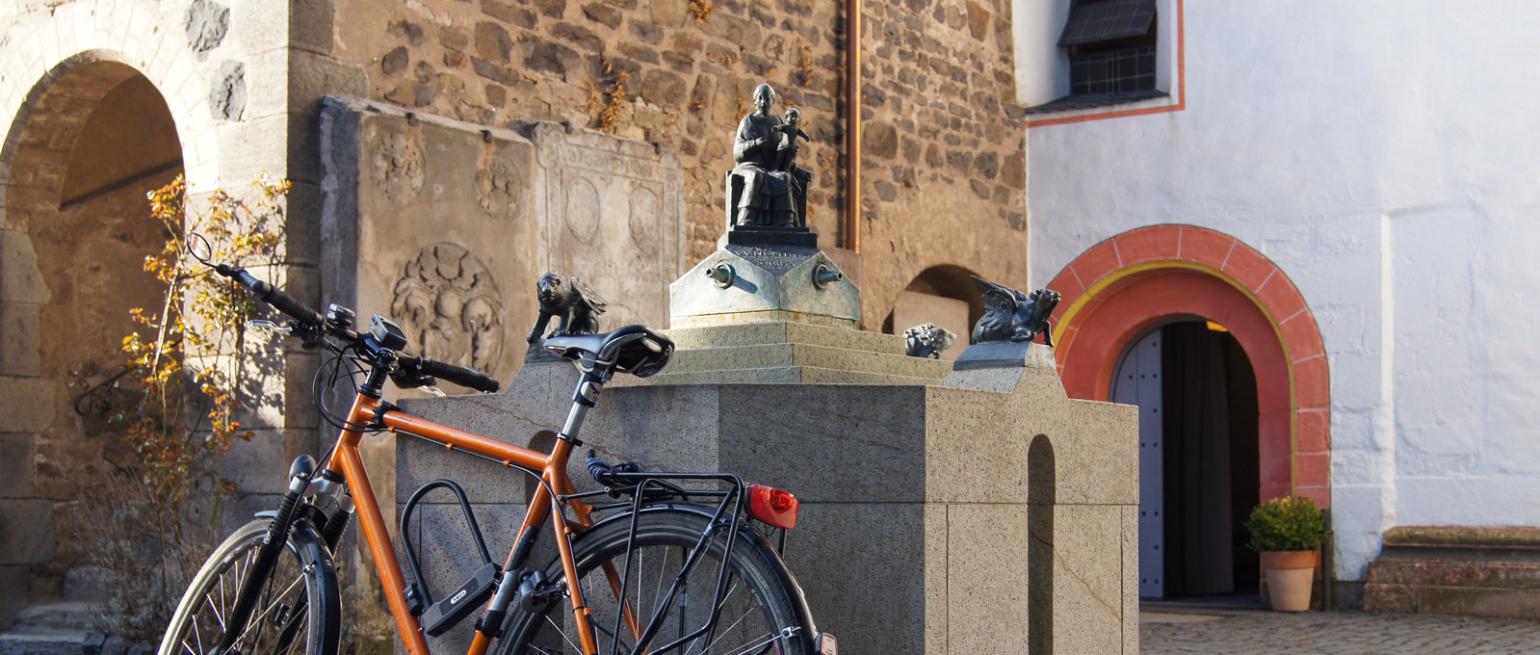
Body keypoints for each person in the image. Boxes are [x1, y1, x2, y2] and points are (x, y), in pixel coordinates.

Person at [732, 84, 807, 228]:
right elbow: (737, 152)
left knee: (784, 178)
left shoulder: (777, 122)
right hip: (749, 166)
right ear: (754, 101)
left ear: (773, 101)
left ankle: (784, 221)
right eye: (759, 98)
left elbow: (781, 152)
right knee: (756, 176)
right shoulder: (748, 122)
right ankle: (748, 219)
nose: (763, 102)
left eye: (767, 98)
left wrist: (797, 170)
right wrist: (753, 144)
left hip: (773, 167)